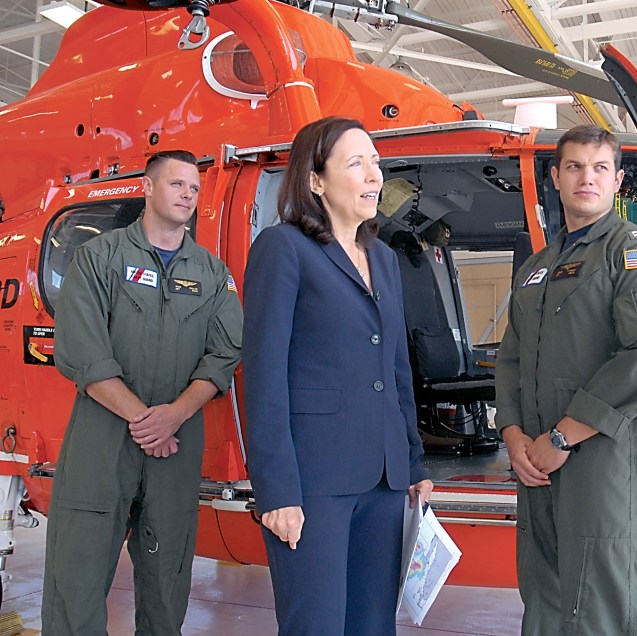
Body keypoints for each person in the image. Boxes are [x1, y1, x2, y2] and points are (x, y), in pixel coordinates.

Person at [242, 116, 433, 635]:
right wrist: (277, 491)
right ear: (316, 180)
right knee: (317, 624)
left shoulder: (384, 259)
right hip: (314, 481)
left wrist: (412, 460)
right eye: (356, 163)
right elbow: (263, 374)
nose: (374, 175)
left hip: (384, 479)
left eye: (375, 162)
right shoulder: (283, 248)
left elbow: (396, 369)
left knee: (373, 624)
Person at [43, 150, 243, 634]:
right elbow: (82, 352)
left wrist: (175, 415)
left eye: (194, 188)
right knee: (78, 571)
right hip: (102, 438)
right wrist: (146, 420)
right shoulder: (99, 258)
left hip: (175, 442)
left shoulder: (212, 274)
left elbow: (225, 354)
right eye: (177, 184)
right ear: (148, 188)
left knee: (167, 575)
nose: (187, 195)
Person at [495, 125, 637, 636]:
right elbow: (510, 360)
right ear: (555, 177)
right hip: (535, 460)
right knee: (545, 591)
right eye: (574, 167)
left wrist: (561, 437)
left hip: (598, 456)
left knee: (606, 592)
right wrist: (514, 437)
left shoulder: (632, 252)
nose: (586, 178)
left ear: (617, 181)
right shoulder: (537, 267)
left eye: (600, 168)